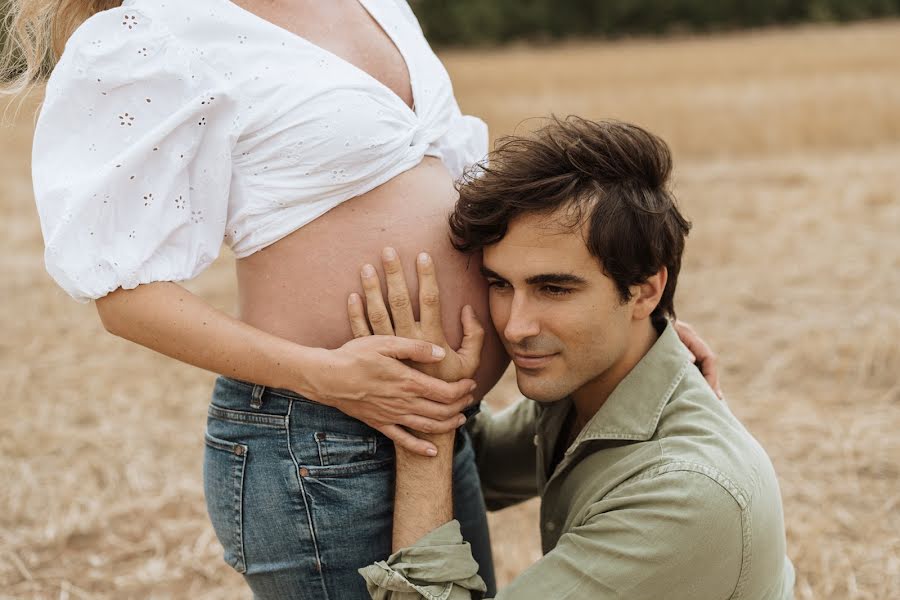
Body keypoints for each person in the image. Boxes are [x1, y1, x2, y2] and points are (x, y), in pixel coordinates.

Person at [7, 0, 718, 596]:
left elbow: (482, 199)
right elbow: (124, 299)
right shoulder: (156, 33)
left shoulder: (374, 2)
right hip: (319, 438)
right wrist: (331, 377)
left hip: (436, 424)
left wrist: (625, 332)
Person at [350, 118, 795, 599]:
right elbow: (483, 466)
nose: (515, 327)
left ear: (645, 291)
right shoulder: (597, 387)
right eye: (500, 285)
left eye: (554, 289)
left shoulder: (687, 495)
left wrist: (426, 428)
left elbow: (447, 459)